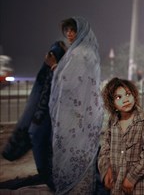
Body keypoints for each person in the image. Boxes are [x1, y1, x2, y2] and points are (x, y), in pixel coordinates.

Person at [47, 17, 104, 194]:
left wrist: (54, 66)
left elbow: (69, 83)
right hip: (85, 115)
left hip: (74, 117)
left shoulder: (79, 53)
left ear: (83, 32)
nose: (70, 34)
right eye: (67, 31)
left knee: (73, 157)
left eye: (73, 30)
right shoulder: (90, 51)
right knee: (84, 156)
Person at [1, 40, 67, 190]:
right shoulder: (51, 74)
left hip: (49, 124)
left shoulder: (54, 74)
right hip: (47, 122)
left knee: (39, 137)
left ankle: (48, 174)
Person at [98, 77, 144, 195]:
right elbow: (105, 147)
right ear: (112, 103)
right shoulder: (112, 121)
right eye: (118, 97)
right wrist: (106, 169)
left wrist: (131, 178)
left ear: (134, 95)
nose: (125, 100)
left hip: (139, 185)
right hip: (116, 183)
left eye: (128, 94)